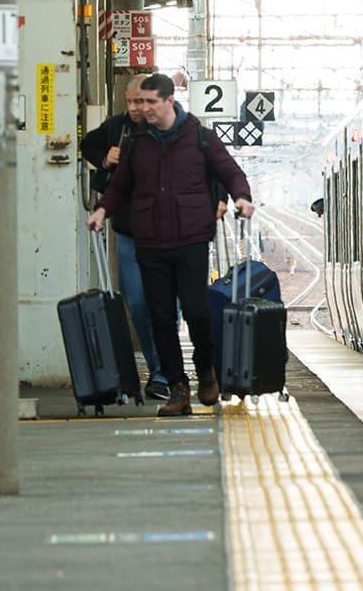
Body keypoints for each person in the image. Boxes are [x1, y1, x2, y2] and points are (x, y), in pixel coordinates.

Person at [87, 72, 253, 417]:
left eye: (150, 102)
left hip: (191, 238)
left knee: (196, 310)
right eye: (139, 102)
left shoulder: (201, 138)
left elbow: (231, 172)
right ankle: (178, 389)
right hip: (150, 241)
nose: (143, 109)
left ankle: (205, 368)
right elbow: (120, 186)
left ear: (168, 101)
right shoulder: (136, 143)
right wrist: (103, 210)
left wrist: (242, 198)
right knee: (159, 315)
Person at [81, 75, 173, 401]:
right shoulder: (116, 127)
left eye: (142, 101)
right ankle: (159, 367)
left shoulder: (176, 128)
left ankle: (164, 374)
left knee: (166, 304)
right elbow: (88, 146)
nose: (135, 108)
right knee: (137, 302)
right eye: (131, 101)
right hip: (130, 233)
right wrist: (106, 160)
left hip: (171, 234)